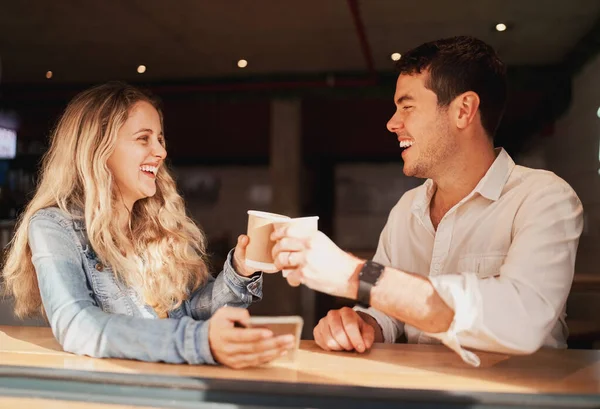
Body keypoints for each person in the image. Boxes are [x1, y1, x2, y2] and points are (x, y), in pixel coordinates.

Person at [271, 36, 583, 366]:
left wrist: (354, 275)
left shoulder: (545, 198)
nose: (392, 123)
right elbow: (385, 311)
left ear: (464, 110)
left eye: (407, 107)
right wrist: (363, 325)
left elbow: (521, 320)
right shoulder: (406, 209)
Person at [2, 82, 294, 368]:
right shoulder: (54, 226)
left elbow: (190, 311)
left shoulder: (154, 225)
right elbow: (77, 325)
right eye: (144, 138)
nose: (161, 151)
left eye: (160, 139)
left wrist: (241, 270)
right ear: (97, 149)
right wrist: (198, 342)